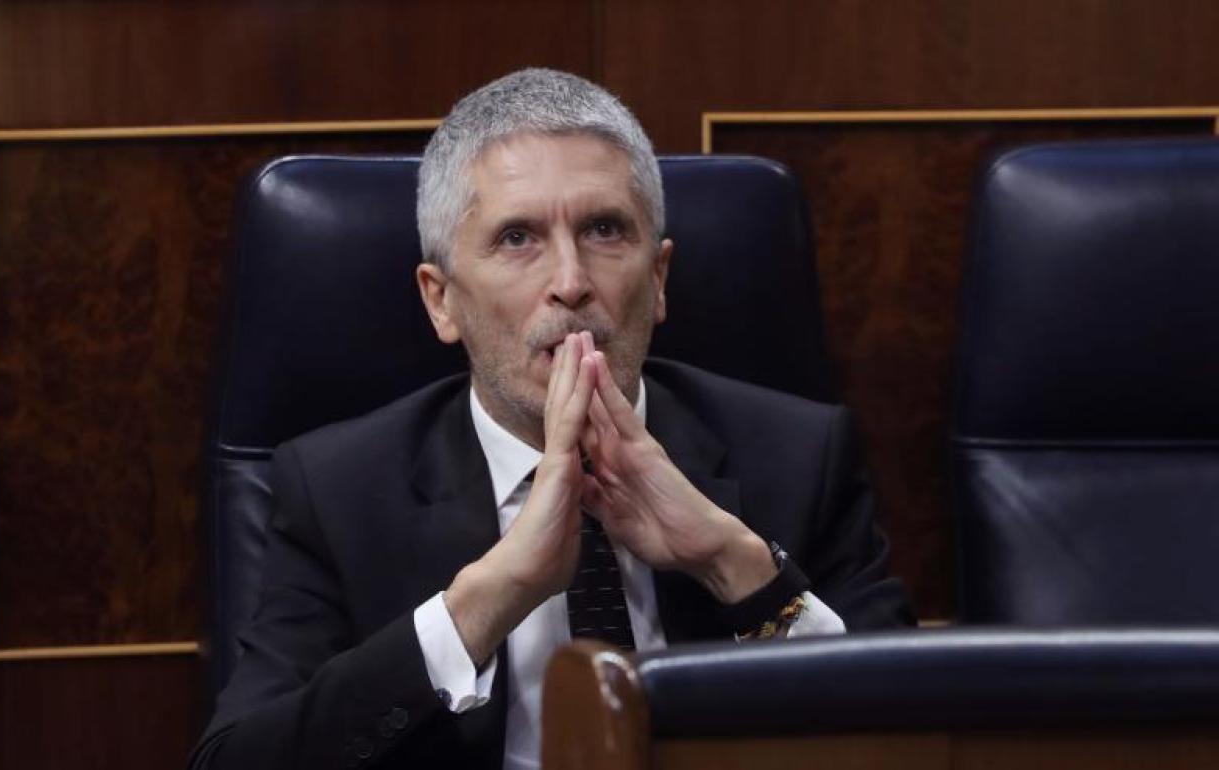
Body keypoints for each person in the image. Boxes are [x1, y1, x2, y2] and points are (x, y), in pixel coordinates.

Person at [189, 68, 912, 770]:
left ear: (658, 279)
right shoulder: (339, 490)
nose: (570, 283)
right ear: (441, 300)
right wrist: (483, 601)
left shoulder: (800, 456)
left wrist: (737, 567)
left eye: (604, 229)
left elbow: (917, 735)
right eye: (517, 238)